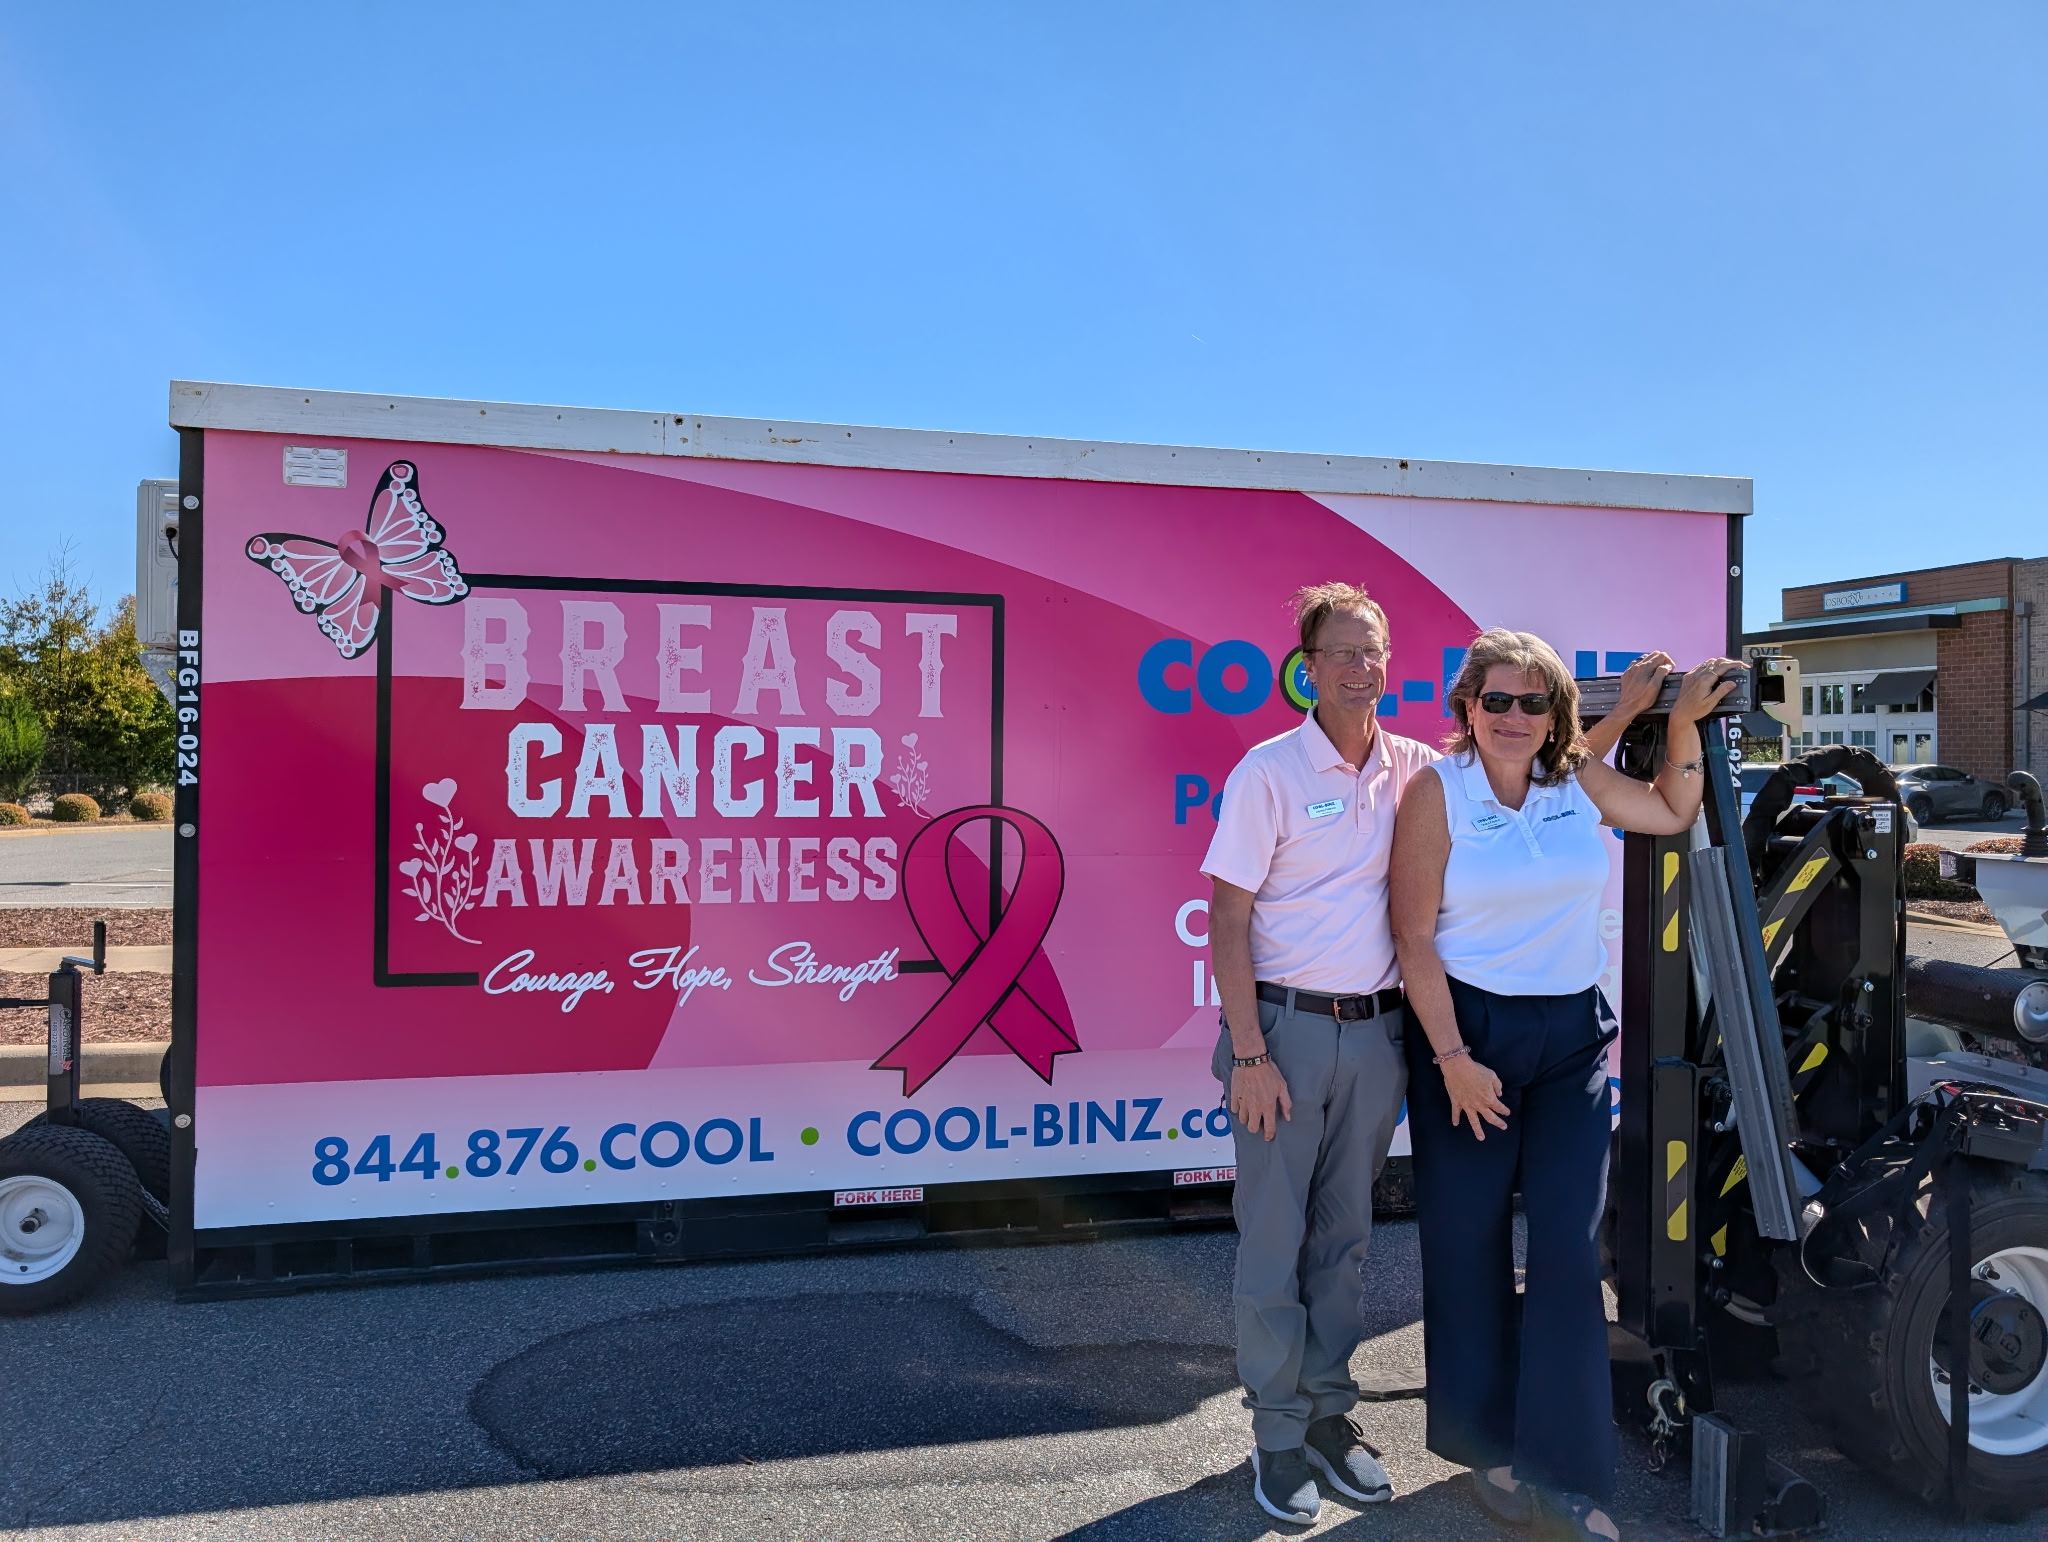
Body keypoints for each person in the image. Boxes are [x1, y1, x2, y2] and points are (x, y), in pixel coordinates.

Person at [1198, 590, 1658, 1526]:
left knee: (1344, 1244)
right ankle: (1277, 1437)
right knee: (1276, 1244)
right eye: (1339, 653)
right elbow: (1227, 917)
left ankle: (1329, 1418)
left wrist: (1634, 716)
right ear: (1306, 666)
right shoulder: (1268, 772)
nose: (1357, 668)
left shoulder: (1418, 769)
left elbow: (1543, 763)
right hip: (1283, 1034)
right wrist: (1248, 1053)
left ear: (1389, 662)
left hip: (1378, 1035)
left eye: (1371, 651)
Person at [1388, 631, 1739, 1541]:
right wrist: (1454, 1059)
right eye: (1496, 701)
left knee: (1569, 1254)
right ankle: (1487, 1449)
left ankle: (1568, 1476)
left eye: (1533, 702)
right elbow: (1413, 937)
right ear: (1468, 708)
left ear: (1556, 714)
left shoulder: (1575, 779)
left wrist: (1682, 725)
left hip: (1571, 1042)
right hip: (1466, 1041)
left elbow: (1671, 811)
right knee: (1466, 1246)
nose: (1513, 717)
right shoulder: (1437, 791)